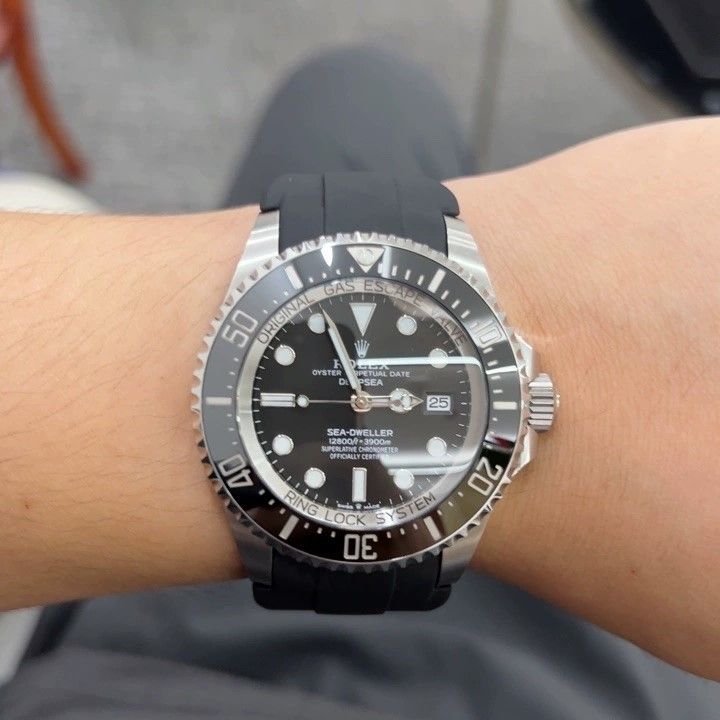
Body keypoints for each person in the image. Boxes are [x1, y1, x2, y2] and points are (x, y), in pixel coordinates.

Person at [0, 48, 717, 719]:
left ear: (529, 402)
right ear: (524, 398)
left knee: (355, 88)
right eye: (359, 398)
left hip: (122, 678)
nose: (362, 402)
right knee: (369, 89)